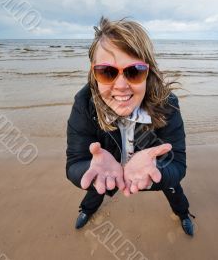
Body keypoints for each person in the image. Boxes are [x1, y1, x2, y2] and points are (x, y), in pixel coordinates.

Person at [65, 17, 194, 236]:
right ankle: (86, 210)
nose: (122, 86)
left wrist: (155, 172)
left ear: (149, 72)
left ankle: (183, 214)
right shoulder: (84, 103)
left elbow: (178, 164)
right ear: (93, 73)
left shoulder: (168, 104)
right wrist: (92, 171)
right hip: (107, 167)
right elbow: (76, 163)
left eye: (134, 71)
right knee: (99, 184)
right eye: (107, 71)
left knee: (173, 190)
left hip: (150, 169)